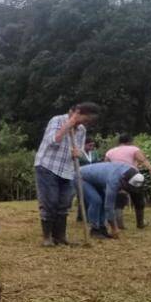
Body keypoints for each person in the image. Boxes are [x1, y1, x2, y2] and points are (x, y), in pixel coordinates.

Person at [34, 103, 101, 246]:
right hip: (48, 166)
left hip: (68, 170)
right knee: (50, 202)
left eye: (88, 121)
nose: (85, 123)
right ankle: (47, 238)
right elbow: (52, 141)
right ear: (77, 112)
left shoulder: (81, 130)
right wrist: (68, 125)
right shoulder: (57, 120)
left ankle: (60, 237)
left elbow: (81, 150)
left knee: (64, 204)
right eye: (85, 119)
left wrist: (79, 153)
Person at [105, 134, 151, 229]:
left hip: (115, 176)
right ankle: (140, 223)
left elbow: (105, 165)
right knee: (138, 198)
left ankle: (119, 222)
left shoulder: (110, 151)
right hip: (131, 174)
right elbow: (144, 160)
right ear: (130, 141)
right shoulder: (133, 149)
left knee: (119, 198)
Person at [78, 162, 145, 238]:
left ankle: (102, 228)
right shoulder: (114, 180)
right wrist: (114, 228)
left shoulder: (132, 173)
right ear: (124, 181)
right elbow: (109, 207)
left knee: (103, 200)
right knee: (96, 201)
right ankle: (95, 230)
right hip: (81, 177)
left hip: (96, 179)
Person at [76, 139, 101, 222]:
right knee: (82, 196)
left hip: (91, 176)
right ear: (84, 145)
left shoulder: (94, 153)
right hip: (81, 176)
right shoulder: (79, 153)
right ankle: (81, 215)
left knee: (90, 195)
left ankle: (88, 215)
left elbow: (97, 163)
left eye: (93, 145)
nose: (92, 147)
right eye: (90, 145)